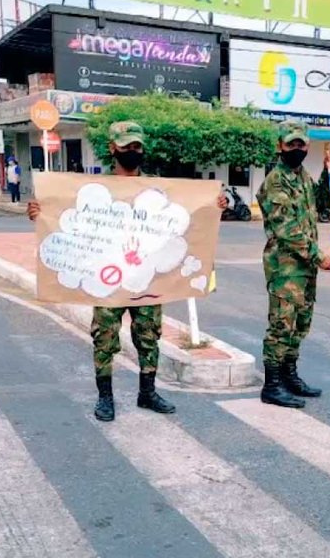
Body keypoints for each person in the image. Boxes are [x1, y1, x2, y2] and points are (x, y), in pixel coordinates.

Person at [26, 121, 225, 422]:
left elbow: (188, 220)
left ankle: (148, 392)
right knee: (104, 338)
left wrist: (215, 206)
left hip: (146, 280)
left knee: (148, 336)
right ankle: (105, 397)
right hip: (107, 281)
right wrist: (40, 214)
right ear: (112, 148)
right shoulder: (95, 192)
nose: (133, 151)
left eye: (137, 146)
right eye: (127, 146)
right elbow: (67, 220)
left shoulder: (161, 193)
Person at [256, 122, 330, 408]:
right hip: (285, 268)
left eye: (302, 144)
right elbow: (287, 230)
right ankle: (272, 384)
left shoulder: (302, 176)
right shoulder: (276, 181)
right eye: (292, 144)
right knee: (282, 325)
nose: (297, 149)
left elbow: (323, 204)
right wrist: (319, 255)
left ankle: (290, 375)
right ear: (280, 146)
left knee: (300, 323)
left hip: (305, 268)